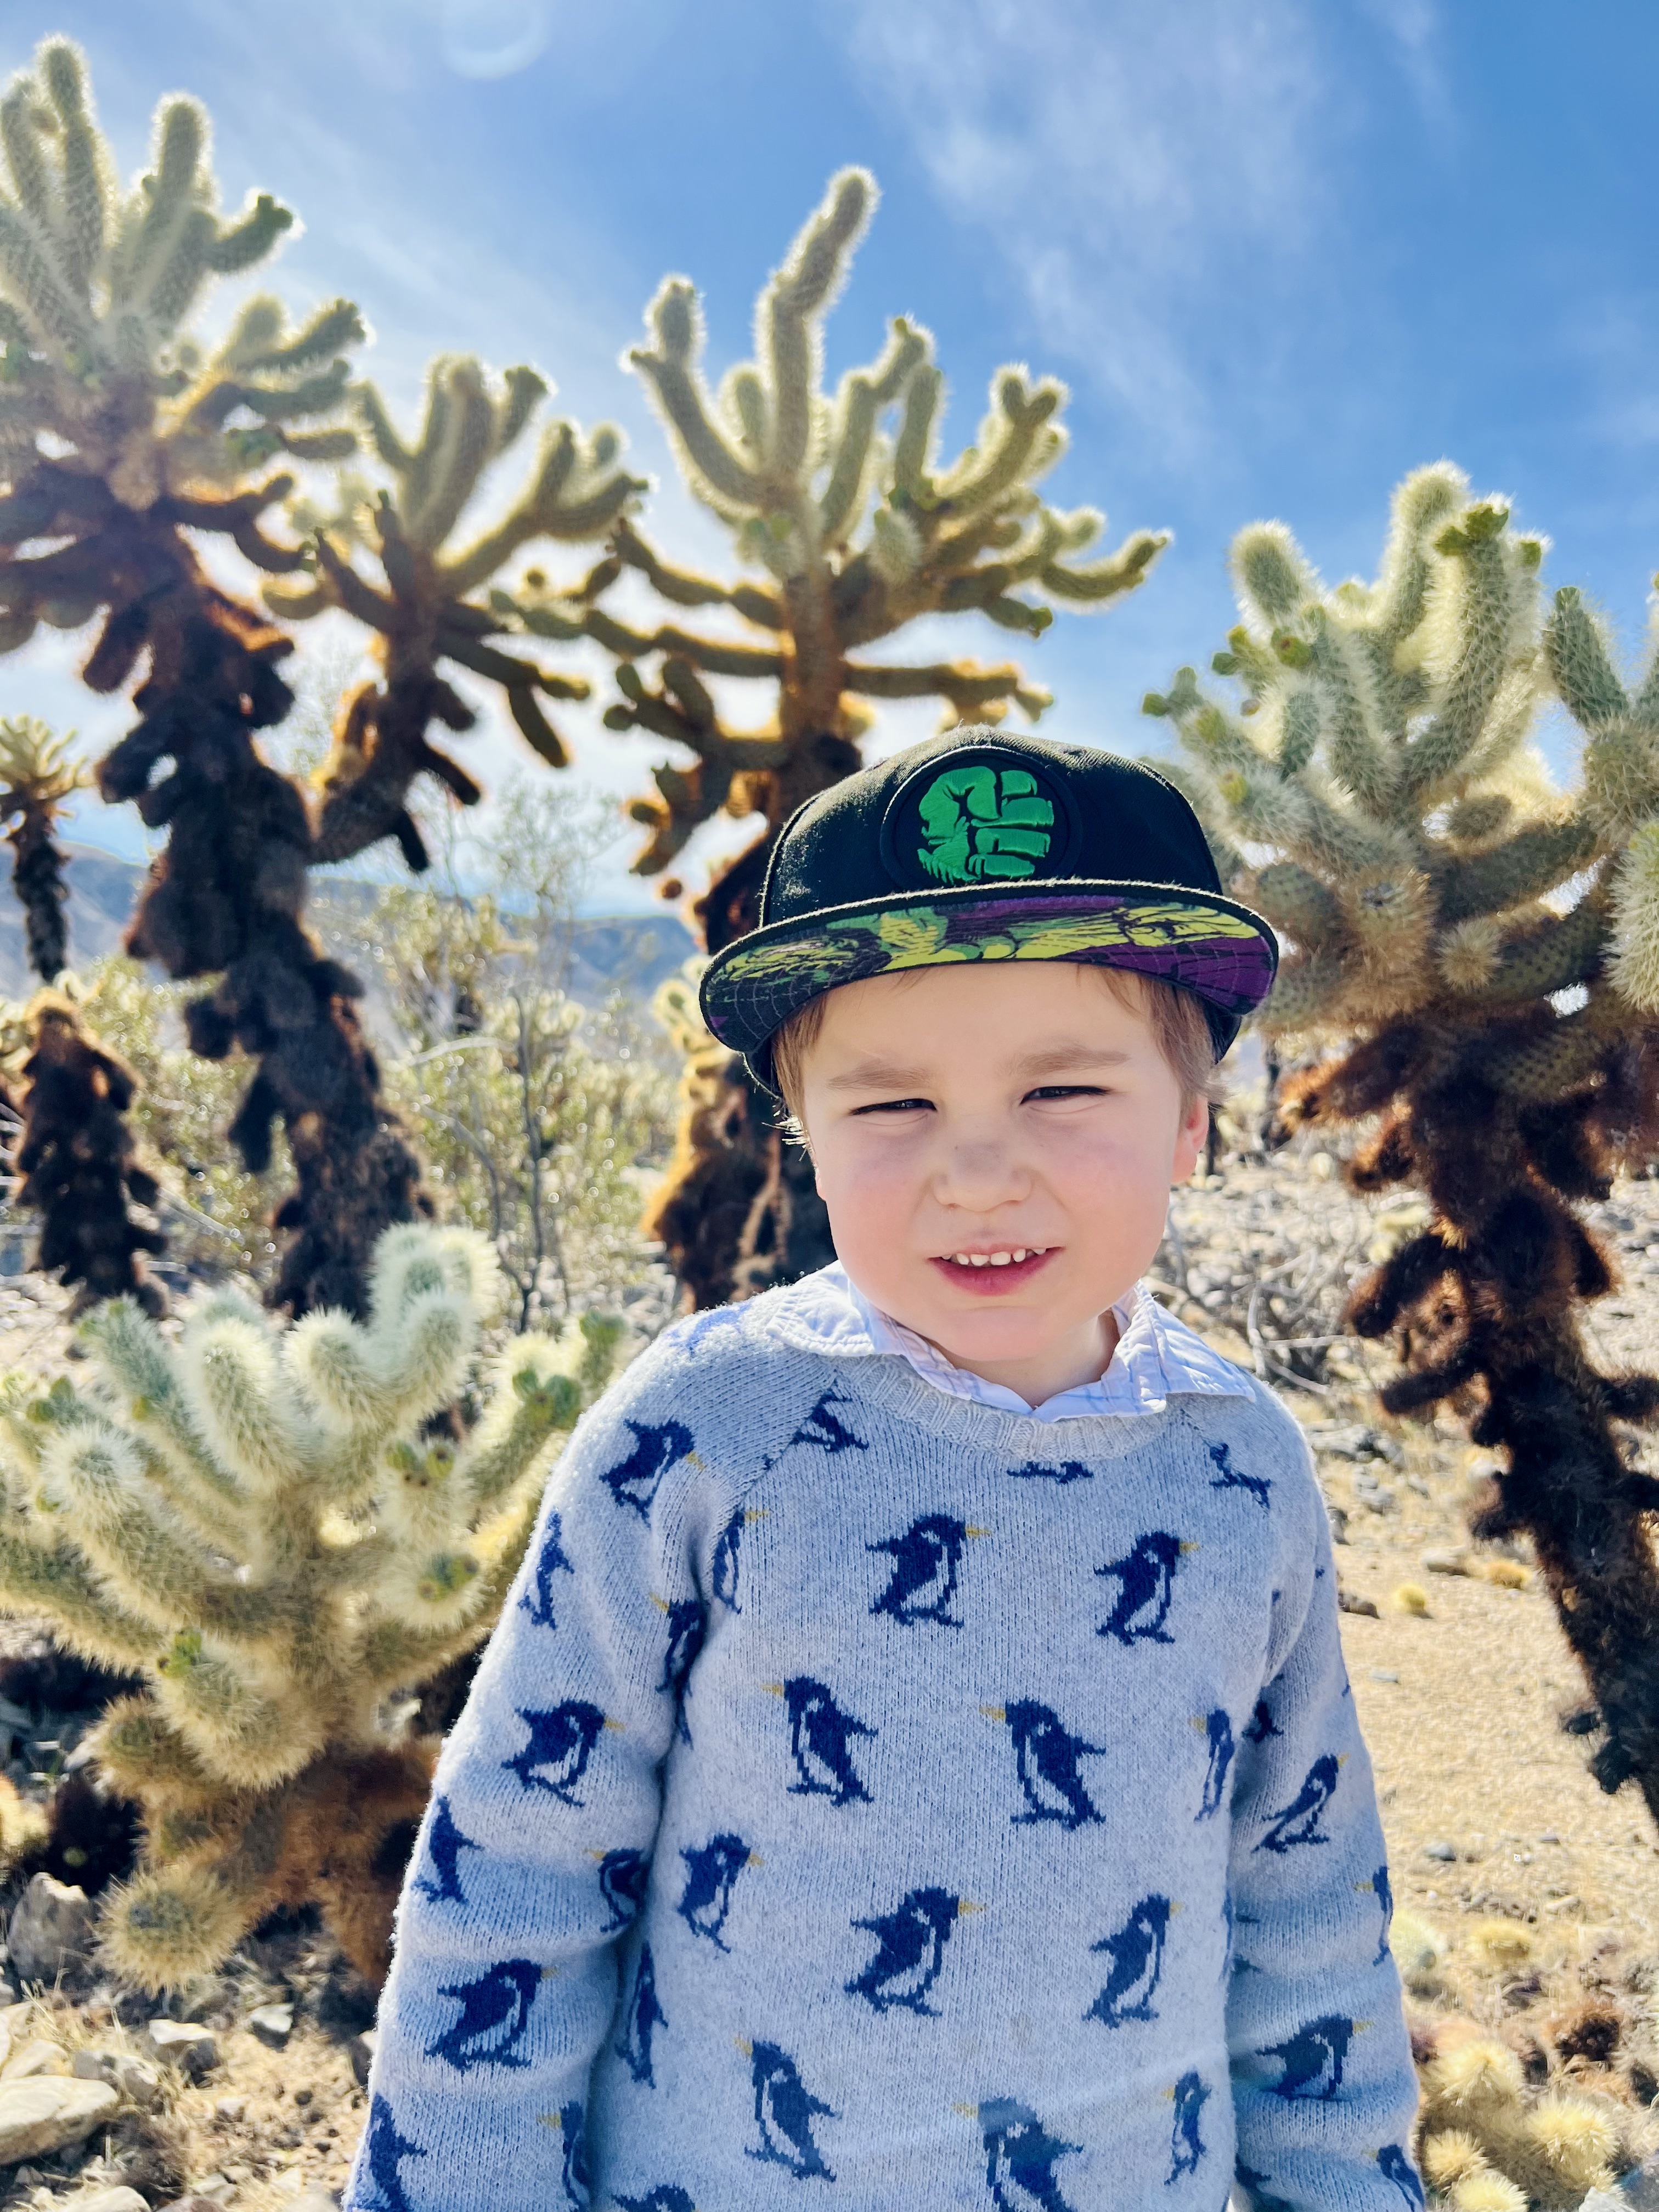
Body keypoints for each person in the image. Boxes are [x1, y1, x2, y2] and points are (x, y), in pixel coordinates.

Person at [347, 727, 1421, 2212]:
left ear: (1192, 1122)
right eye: (893, 1106)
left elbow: (1306, 1908)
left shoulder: (1243, 1470)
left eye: (1062, 1094)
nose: (977, 1170)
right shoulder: (706, 1430)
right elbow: (517, 1874)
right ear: (802, 1135)